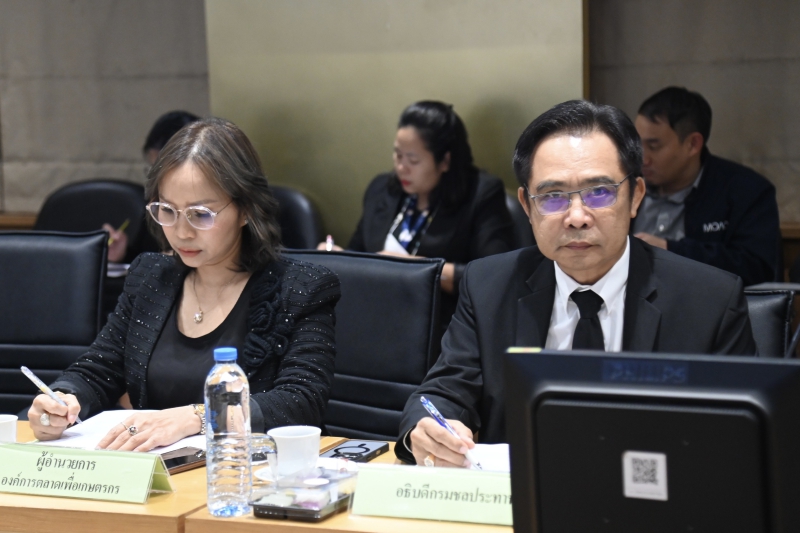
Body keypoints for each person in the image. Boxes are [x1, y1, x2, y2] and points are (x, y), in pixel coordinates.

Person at [396, 100, 757, 467]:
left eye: (599, 192)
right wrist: (428, 430)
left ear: (635, 196)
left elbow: (741, 442)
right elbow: (442, 393)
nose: (577, 217)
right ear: (527, 207)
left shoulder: (710, 301)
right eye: (552, 197)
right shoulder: (488, 286)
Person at [28, 117, 341, 452]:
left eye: (200, 214)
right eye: (167, 210)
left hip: (248, 472)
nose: (181, 232)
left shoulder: (301, 289)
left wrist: (199, 417)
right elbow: (100, 369)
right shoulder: (151, 277)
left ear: (246, 209)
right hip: (155, 469)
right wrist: (63, 398)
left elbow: (300, 401)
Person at [321, 100, 514, 324]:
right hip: (373, 314)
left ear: (445, 160)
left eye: (413, 160)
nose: (401, 167)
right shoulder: (382, 189)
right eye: (398, 155)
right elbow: (359, 254)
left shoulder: (481, 195)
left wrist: (409, 267)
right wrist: (338, 259)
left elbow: (493, 278)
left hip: (437, 322)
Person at [632, 87, 780, 286]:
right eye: (637, 144)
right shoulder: (624, 184)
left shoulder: (746, 191)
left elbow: (756, 267)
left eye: (653, 146)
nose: (642, 158)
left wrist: (670, 251)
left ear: (693, 144)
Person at [105, 110, 200, 263]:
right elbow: (149, 255)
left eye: (164, 171)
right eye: (152, 171)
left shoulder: (208, 211)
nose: (157, 182)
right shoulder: (155, 207)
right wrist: (123, 256)